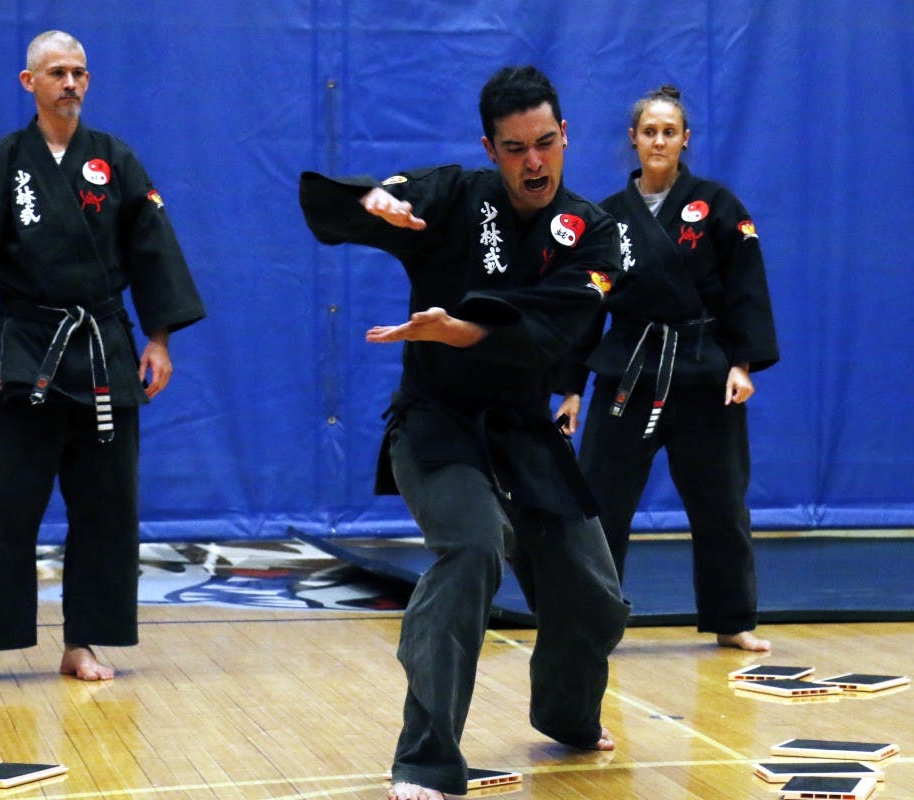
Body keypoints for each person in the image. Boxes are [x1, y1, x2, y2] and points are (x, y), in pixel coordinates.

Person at [299, 65, 630, 800]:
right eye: (515, 149)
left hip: (523, 430)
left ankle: (569, 715)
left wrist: (469, 330)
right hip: (435, 424)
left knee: (596, 595)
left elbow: (562, 322)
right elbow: (372, 203)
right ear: (491, 148)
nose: (533, 162)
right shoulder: (454, 195)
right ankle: (424, 759)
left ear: (565, 135)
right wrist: (372, 206)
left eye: (545, 143)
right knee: (472, 550)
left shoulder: (593, 231)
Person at [0, 30, 205, 686]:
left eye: (80, 72)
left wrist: (160, 338)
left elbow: (153, 248)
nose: (71, 83)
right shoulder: (1, 162)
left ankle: (83, 641)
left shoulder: (115, 160)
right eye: (57, 72)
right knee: (1, 502)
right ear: (29, 83)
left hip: (105, 352)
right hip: (23, 349)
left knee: (106, 506)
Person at [556, 85, 778, 652]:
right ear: (633, 140)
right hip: (628, 368)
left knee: (721, 501)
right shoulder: (604, 216)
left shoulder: (719, 206)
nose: (659, 140)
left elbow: (745, 290)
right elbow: (586, 305)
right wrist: (571, 389)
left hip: (706, 369)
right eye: (649, 131)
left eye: (669, 131)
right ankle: (594, 619)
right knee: (601, 501)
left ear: (685, 140)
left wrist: (743, 364)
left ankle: (732, 619)